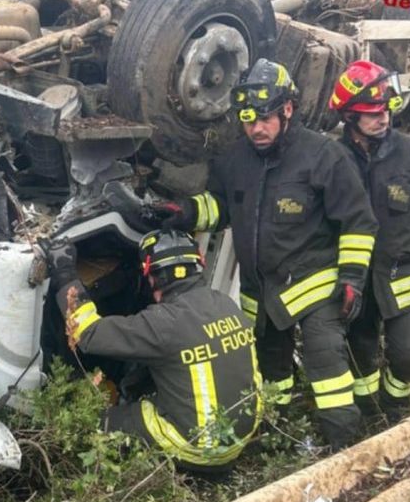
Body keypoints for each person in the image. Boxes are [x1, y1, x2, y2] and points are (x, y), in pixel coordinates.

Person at [154, 59, 378, 449]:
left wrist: (352, 280)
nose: (256, 128)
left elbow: (359, 222)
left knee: (326, 364)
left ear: (287, 110)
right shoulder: (235, 160)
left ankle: (343, 447)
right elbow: (221, 208)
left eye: (265, 118)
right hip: (261, 294)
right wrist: (185, 212)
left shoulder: (323, 155)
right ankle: (278, 436)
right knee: (271, 369)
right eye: (248, 119)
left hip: (315, 286)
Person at [45, 229, 263, 472]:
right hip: (239, 436)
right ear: (198, 264)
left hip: (198, 448)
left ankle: (86, 472)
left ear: (153, 277)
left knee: (97, 422)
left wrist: (65, 272)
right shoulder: (225, 303)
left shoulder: (164, 323)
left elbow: (88, 333)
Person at [328, 60, 410, 421]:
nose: (382, 118)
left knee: (408, 357)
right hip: (356, 282)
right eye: (372, 113)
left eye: (386, 109)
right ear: (349, 116)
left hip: (404, 276)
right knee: (361, 357)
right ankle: (370, 414)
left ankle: (394, 403)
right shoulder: (332, 160)